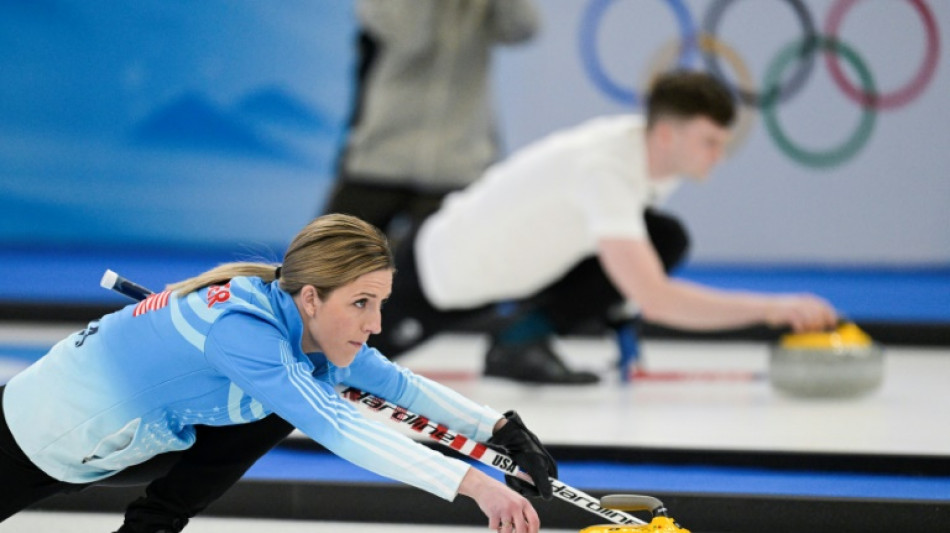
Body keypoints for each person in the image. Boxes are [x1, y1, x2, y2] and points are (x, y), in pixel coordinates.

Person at [0, 214, 556, 533]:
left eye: (380, 303)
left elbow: (394, 383)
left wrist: (500, 429)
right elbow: (342, 427)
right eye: (363, 303)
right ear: (312, 297)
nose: (377, 323)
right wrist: (476, 485)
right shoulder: (242, 330)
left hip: (109, 445)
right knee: (297, 397)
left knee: (286, 398)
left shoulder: (297, 320)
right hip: (36, 434)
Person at [368, 70, 840, 384]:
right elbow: (657, 297)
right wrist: (773, 307)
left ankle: (522, 337)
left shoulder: (656, 162)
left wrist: (618, 308)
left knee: (663, 237)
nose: (718, 156)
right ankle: (516, 339)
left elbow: (627, 266)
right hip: (438, 275)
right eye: (709, 142)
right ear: (668, 134)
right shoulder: (606, 168)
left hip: (505, 274)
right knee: (326, 359)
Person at [326, 0, 539, 243]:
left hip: (459, 163)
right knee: (324, 267)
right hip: (380, 158)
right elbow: (411, 36)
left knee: (452, 275)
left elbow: (523, 28)